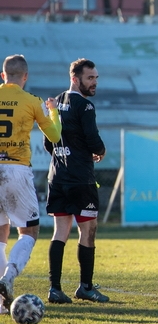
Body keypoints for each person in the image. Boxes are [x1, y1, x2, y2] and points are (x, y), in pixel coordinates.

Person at [43, 58, 108, 304]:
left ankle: (55, 289)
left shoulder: (55, 103)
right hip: (81, 180)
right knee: (88, 230)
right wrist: (100, 151)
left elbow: (48, 141)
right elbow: (93, 139)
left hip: (57, 177)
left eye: (96, 78)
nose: (94, 83)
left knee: (60, 231)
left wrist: (63, 155)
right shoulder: (85, 106)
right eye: (90, 78)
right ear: (75, 79)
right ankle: (86, 287)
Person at [0, 55, 62, 312]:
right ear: (25, 77)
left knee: (1, 230)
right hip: (16, 168)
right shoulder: (32, 101)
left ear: (4, 75)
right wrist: (54, 111)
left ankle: (1, 302)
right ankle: (9, 276)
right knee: (28, 231)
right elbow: (55, 135)